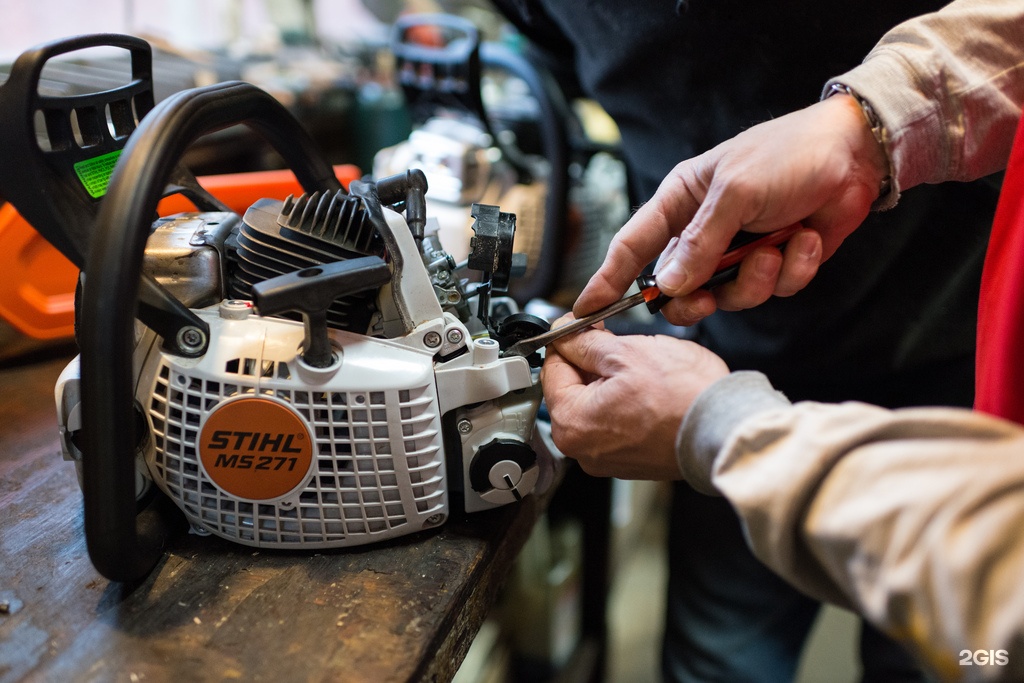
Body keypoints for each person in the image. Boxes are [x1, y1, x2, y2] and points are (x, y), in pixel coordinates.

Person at [489, 0, 1003, 679]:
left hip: (960, 359)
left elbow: (990, 581)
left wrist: (716, 427)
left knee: (940, 662)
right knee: (722, 659)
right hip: (732, 359)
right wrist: (862, 130)